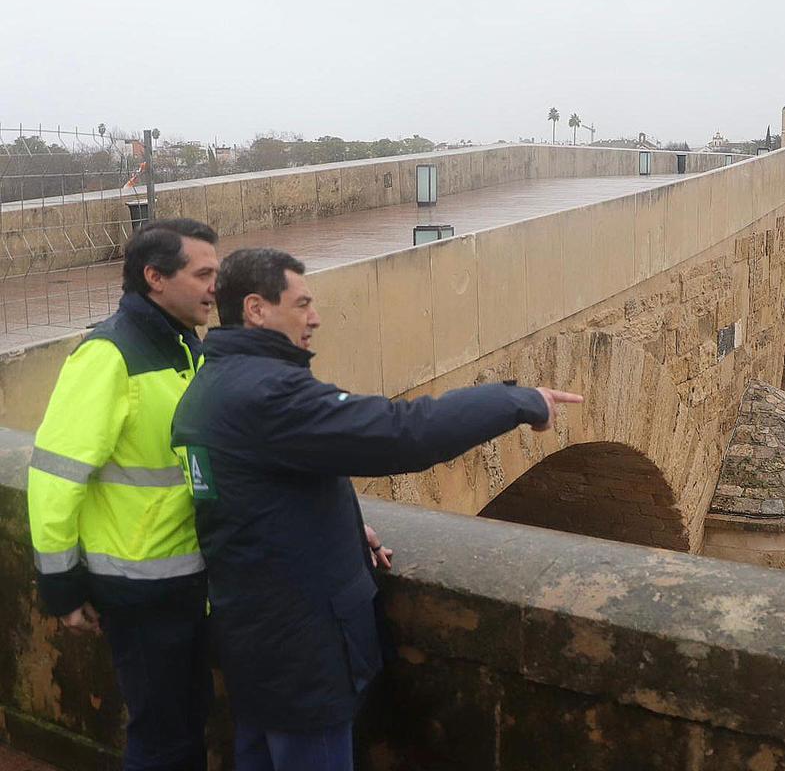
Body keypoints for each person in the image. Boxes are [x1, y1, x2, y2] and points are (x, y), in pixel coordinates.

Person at [171, 247, 582, 771]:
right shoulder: (268, 393)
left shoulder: (210, 382)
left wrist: (342, 528)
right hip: (300, 652)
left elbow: (250, 500)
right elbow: (403, 434)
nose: (315, 317)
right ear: (256, 309)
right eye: (302, 304)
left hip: (252, 638)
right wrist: (517, 401)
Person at [28, 219, 220, 771]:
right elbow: (56, 477)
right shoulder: (109, 355)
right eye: (203, 273)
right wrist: (61, 586)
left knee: (188, 722)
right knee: (161, 735)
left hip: (188, 580)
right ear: (155, 277)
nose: (215, 286)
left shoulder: (186, 346)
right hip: (140, 588)